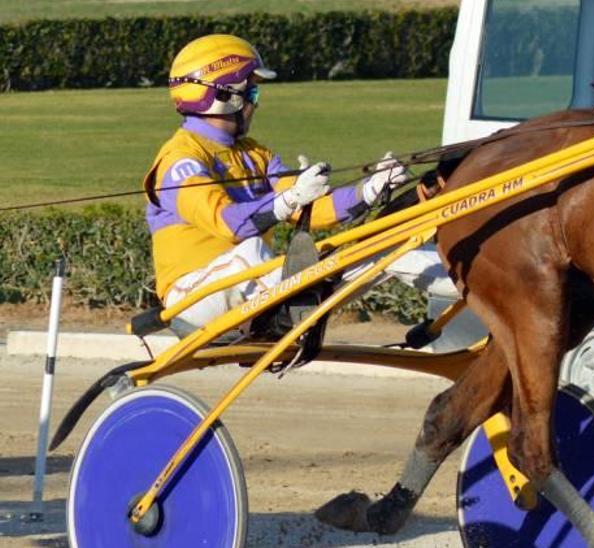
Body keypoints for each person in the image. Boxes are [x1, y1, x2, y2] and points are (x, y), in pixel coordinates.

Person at [146, 34, 456, 338]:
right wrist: (289, 199)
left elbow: (315, 208)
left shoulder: (257, 154)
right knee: (249, 252)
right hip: (190, 298)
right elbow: (229, 224)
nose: (256, 104)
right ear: (222, 96)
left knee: (386, 248)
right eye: (252, 93)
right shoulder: (180, 159)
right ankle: (301, 307)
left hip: (252, 285)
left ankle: (480, 287)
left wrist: (370, 188)